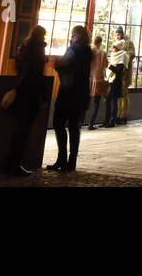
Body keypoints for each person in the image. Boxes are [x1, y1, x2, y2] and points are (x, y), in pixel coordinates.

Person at [6, 25, 49, 175]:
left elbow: (19, 67)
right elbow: (37, 74)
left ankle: (11, 163)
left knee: (19, 129)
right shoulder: (38, 49)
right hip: (31, 93)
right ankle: (15, 164)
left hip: (21, 90)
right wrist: (44, 96)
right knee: (24, 130)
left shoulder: (23, 47)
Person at [49, 25, 92, 172]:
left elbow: (68, 66)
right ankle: (69, 161)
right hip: (79, 95)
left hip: (69, 93)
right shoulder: (86, 50)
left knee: (60, 124)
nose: (72, 37)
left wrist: (59, 64)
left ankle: (63, 159)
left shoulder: (75, 49)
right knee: (73, 128)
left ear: (77, 36)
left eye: (74, 34)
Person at [87, 34, 110, 129]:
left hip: (88, 78)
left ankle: (79, 123)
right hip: (98, 80)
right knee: (96, 103)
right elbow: (106, 65)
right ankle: (90, 124)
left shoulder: (89, 51)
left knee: (85, 102)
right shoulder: (102, 53)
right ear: (100, 43)